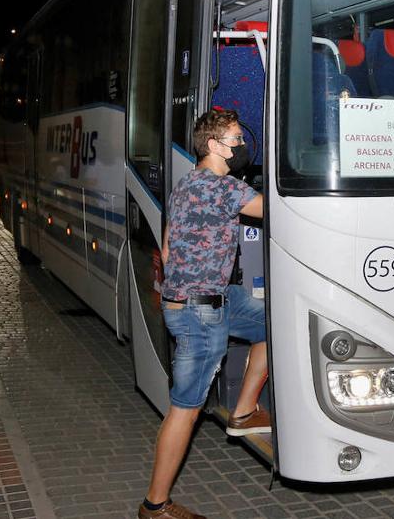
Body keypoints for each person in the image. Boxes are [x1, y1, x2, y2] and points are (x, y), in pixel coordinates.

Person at [140, 109, 268, 519]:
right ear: (213, 146)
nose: (242, 146)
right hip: (199, 313)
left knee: (272, 323)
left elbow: (167, 243)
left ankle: (244, 412)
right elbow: (276, 210)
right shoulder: (222, 188)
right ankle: (154, 506)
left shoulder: (186, 184)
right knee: (186, 408)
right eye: (235, 139)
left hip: (213, 298)